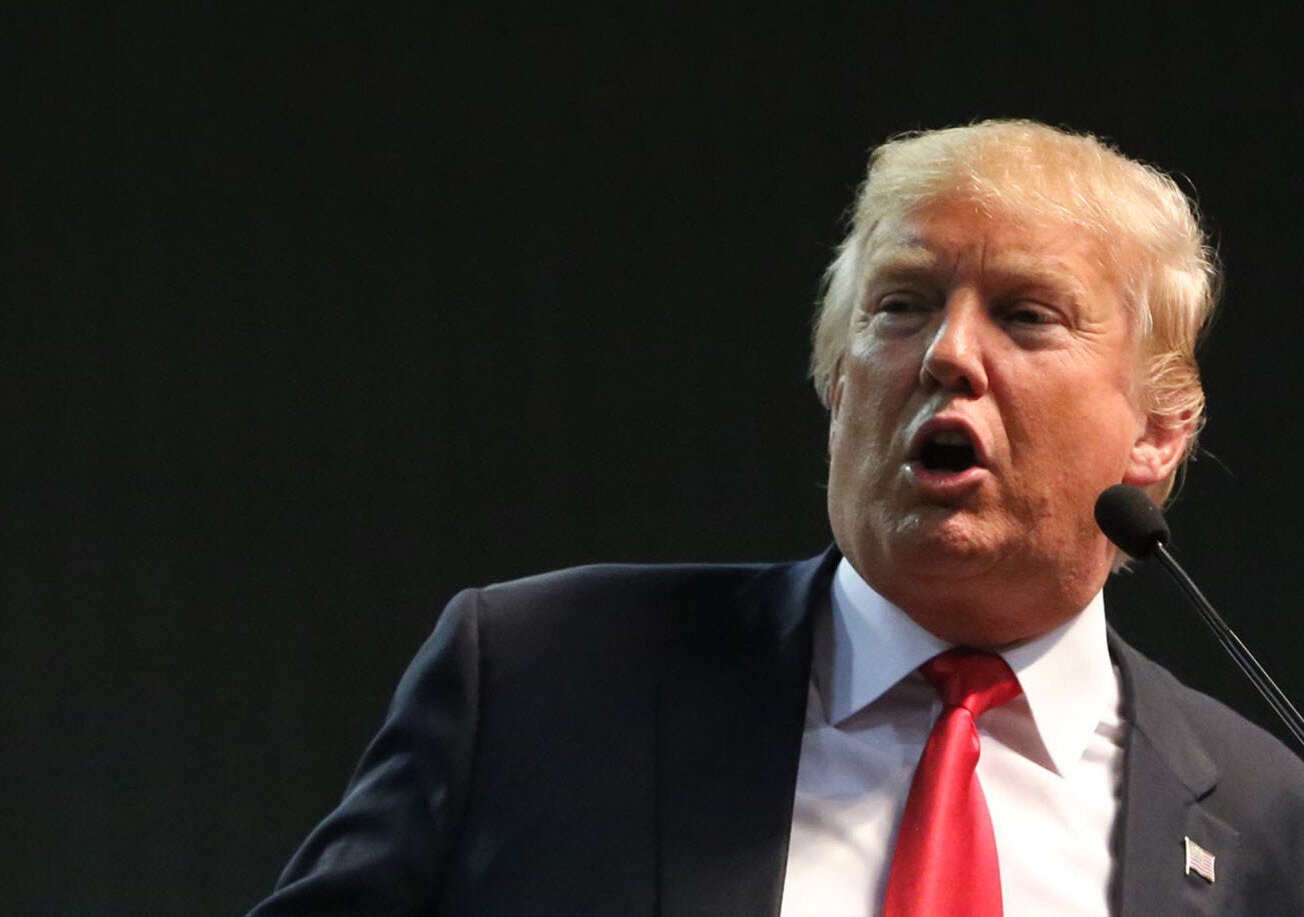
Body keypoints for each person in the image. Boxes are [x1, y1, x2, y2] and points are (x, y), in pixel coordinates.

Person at [245, 120, 1304, 916]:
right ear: (838, 385)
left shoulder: (1266, 818)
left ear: (1156, 432)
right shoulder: (540, 676)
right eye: (899, 305)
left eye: (1026, 315)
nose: (946, 354)